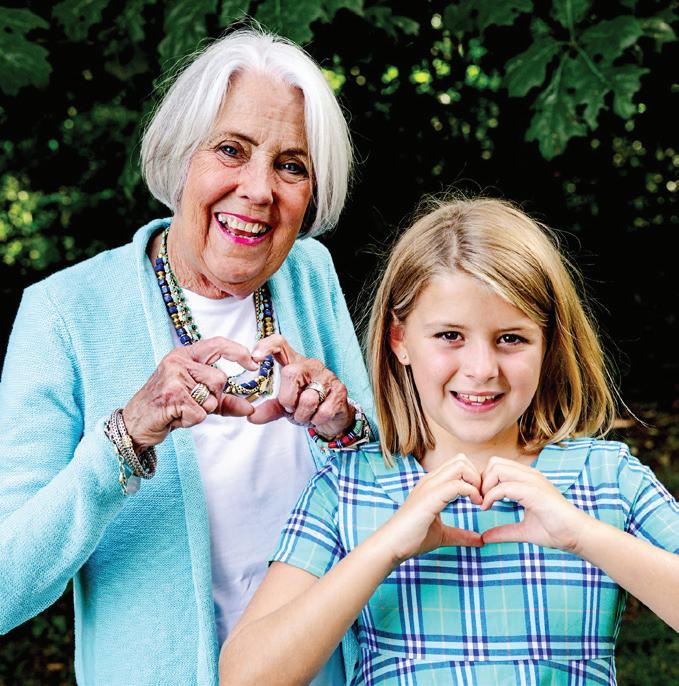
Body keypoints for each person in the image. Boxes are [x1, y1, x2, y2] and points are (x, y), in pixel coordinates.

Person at [0, 28, 374, 685]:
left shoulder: (310, 275)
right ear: (180, 154)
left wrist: (343, 427)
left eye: (291, 165)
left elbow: (384, 489)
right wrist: (126, 436)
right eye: (231, 150)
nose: (258, 189)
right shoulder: (63, 314)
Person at [220, 197, 679, 684]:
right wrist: (386, 547)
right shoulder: (348, 486)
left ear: (548, 343)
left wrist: (583, 535)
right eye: (450, 336)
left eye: (511, 338)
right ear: (399, 340)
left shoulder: (606, 478)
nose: (481, 369)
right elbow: (246, 677)